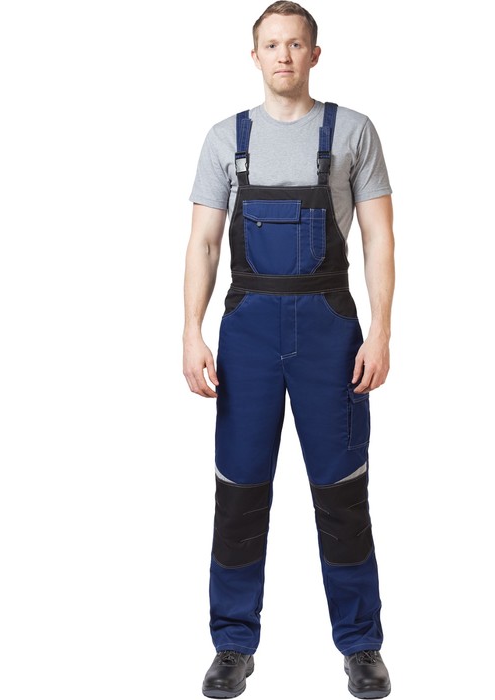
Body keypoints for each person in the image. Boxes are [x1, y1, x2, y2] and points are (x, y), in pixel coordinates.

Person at [183, 2, 395, 697]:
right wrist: (191, 330)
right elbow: (204, 243)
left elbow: (379, 238)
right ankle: (232, 645)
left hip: (330, 329)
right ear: (255, 56)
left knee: (342, 492)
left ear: (314, 54)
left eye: (295, 44)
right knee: (240, 491)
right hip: (246, 331)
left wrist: (381, 331)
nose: (283, 55)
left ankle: (361, 646)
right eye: (271, 45)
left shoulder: (353, 131)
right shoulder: (225, 138)